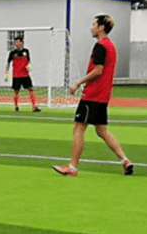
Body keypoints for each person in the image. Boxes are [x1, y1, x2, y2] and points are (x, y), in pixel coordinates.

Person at [53, 14, 133, 177]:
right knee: (101, 130)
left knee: (78, 128)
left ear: (101, 27)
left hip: (92, 95)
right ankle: (125, 160)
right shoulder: (111, 46)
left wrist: (78, 83)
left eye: (94, 25)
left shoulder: (100, 46)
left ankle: (72, 167)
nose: (92, 28)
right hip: (103, 95)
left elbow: (98, 70)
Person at [5, 37, 41, 112]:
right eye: (15, 42)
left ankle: (34, 107)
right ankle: (16, 106)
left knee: (31, 89)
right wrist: (6, 72)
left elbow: (28, 61)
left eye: (18, 42)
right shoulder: (12, 53)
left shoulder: (26, 51)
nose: (16, 44)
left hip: (25, 74)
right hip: (16, 75)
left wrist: (29, 66)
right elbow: (8, 63)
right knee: (16, 91)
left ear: (21, 43)